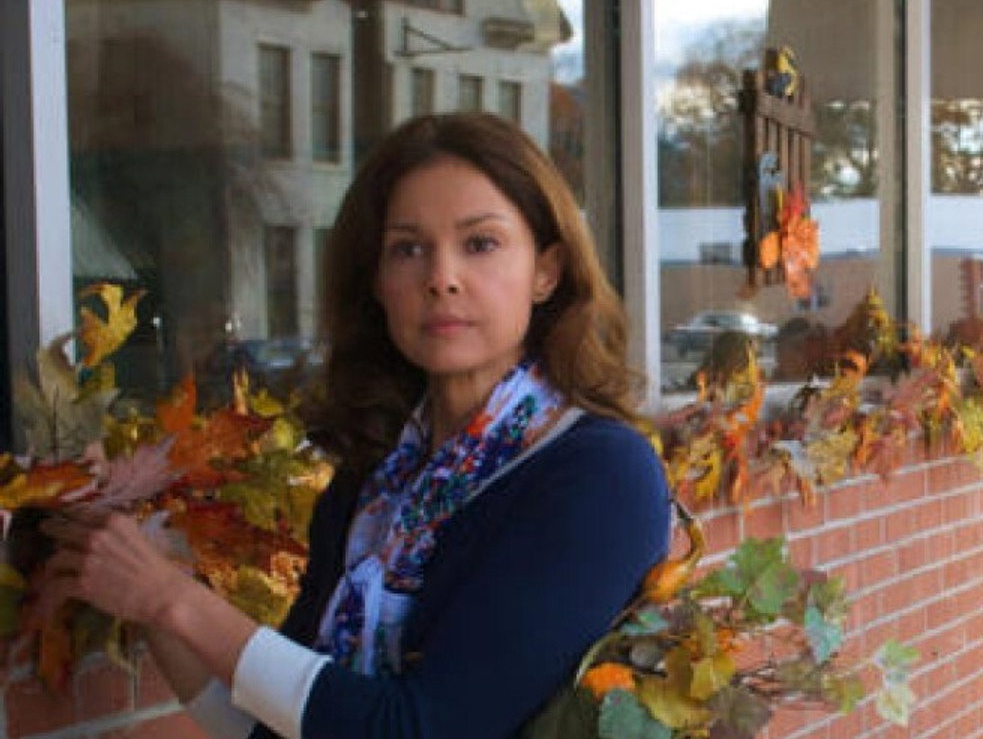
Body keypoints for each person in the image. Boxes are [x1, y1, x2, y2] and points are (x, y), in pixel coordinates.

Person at [38, 113, 671, 737]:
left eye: (480, 243)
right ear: (376, 282)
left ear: (546, 271)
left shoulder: (598, 476)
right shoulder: (376, 486)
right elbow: (277, 724)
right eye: (408, 249)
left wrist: (175, 601)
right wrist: (149, 598)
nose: (441, 279)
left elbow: (424, 730)